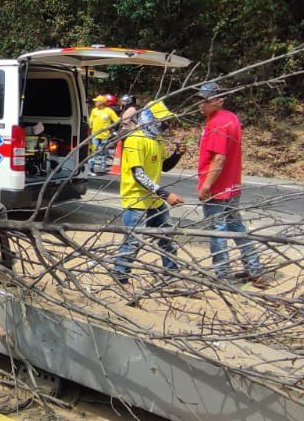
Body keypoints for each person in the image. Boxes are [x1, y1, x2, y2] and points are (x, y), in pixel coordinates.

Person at [196, 81, 264, 282]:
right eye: (200, 101)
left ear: (219, 101)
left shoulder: (217, 123)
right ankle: (254, 268)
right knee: (236, 227)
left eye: (206, 101)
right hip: (232, 186)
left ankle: (223, 275)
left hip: (217, 188)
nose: (202, 105)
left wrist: (207, 185)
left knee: (217, 231)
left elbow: (219, 158)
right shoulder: (231, 118)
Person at [112, 101, 185, 283]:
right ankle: (120, 276)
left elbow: (164, 166)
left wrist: (177, 154)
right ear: (150, 119)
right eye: (162, 121)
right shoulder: (135, 140)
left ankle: (171, 275)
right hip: (136, 200)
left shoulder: (157, 140)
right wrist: (165, 194)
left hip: (154, 200)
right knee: (133, 241)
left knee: (167, 237)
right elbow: (138, 174)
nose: (165, 125)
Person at [89, 94, 119, 174]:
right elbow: (90, 121)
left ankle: (103, 168)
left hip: (105, 135)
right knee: (94, 152)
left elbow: (116, 120)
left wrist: (111, 128)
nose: (95, 103)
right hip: (95, 134)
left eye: (96, 101)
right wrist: (91, 127)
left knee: (103, 151)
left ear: (101, 103)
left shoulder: (109, 111)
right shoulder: (94, 110)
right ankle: (91, 168)